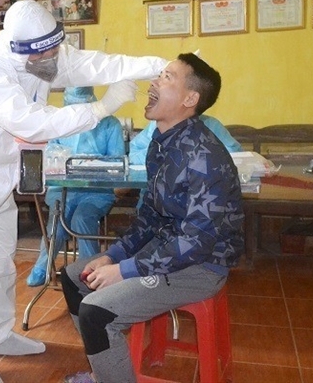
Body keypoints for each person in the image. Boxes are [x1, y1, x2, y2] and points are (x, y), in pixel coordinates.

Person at [0, 0, 167, 383]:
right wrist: (102, 108)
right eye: (45, 52)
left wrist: (157, 65)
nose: (54, 56)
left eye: (55, 46)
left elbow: (96, 63)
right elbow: (32, 123)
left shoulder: (43, 53)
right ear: (21, 52)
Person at [60, 53, 244, 383]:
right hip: (168, 250)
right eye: (158, 75)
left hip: (201, 266)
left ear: (190, 99)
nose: (153, 82)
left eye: (167, 77)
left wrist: (125, 270)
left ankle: (108, 360)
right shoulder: (161, 144)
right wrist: (112, 256)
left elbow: (195, 243)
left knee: (96, 313)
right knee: (76, 276)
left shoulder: (204, 156)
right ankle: (106, 368)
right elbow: (149, 217)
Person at [27, 86, 125, 287]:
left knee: (82, 218)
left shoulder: (109, 124)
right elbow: (51, 153)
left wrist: (92, 163)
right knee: (57, 220)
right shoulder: (61, 123)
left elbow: (118, 163)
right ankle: (43, 267)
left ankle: (89, 270)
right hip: (63, 188)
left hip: (97, 191)